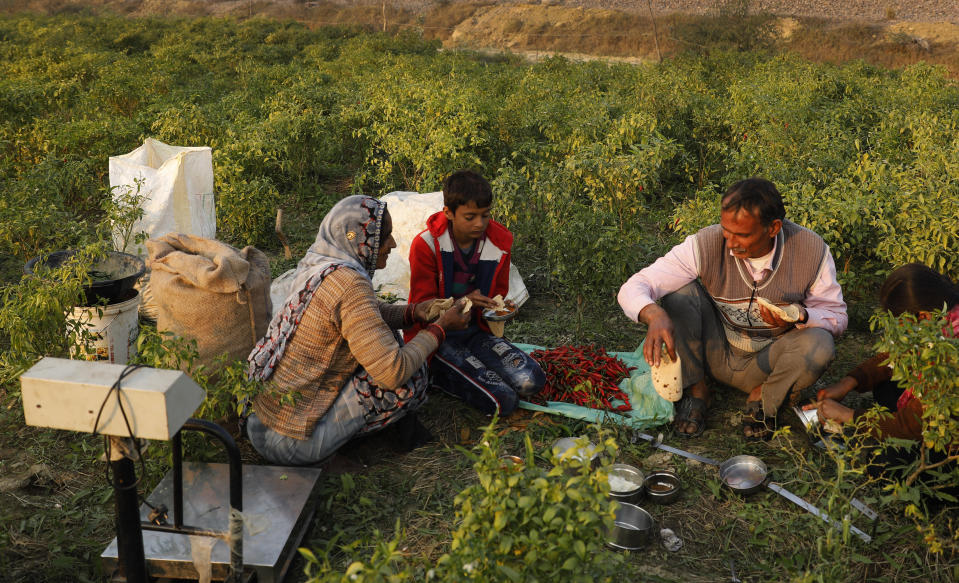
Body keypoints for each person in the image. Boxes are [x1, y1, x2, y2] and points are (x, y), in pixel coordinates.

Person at [245, 195, 470, 466]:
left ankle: (334, 432)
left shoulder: (321, 263)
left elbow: (365, 315)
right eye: (384, 237)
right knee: (410, 378)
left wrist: (416, 312)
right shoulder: (350, 285)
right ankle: (329, 448)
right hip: (290, 443)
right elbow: (392, 372)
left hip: (260, 424)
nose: (392, 244)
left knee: (384, 338)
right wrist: (440, 329)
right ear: (359, 239)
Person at [618, 178, 847, 439]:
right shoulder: (706, 244)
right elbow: (636, 285)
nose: (731, 243)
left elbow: (837, 317)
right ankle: (697, 389)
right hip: (716, 351)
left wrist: (800, 315)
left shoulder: (811, 251)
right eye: (727, 231)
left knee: (820, 343)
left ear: (773, 228)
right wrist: (653, 314)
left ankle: (764, 397)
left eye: (743, 235)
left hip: (770, 362)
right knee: (678, 295)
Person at [406, 170, 545, 416]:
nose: (480, 224)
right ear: (448, 212)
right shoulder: (426, 245)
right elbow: (422, 308)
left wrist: (498, 308)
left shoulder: (498, 243)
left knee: (531, 380)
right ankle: (435, 373)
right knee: (503, 401)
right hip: (438, 337)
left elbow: (498, 292)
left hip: (476, 332)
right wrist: (463, 302)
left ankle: (467, 366)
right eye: (470, 217)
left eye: (485, 215)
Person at [807, 263, 959, 443]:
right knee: (886, 383)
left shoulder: (949, 352)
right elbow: (895, 357)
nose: (901, 330)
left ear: (923, 316)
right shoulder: (944, 314)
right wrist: (849, 382)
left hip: (948, 432)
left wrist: (848, 415)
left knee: (887, 460)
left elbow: (912, 426)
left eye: (901, 322)